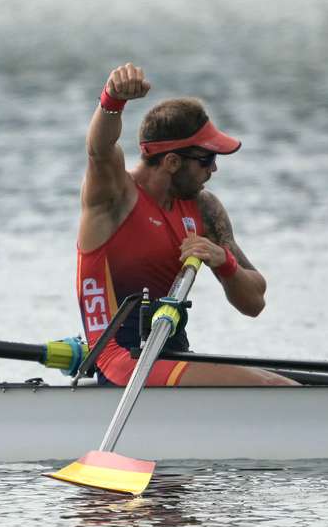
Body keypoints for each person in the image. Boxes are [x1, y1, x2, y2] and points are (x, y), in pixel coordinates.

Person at [77, 63, 296, 387]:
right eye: (206, 160)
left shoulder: (203, 208)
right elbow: (99, 151)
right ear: (172, 162)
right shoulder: (114, 196)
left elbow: (255, 301)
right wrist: (112, 100)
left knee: (278, 383)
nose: (215, 170)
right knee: (275, 388)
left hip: (171, 357)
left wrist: (224, 263)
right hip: (120, 362)